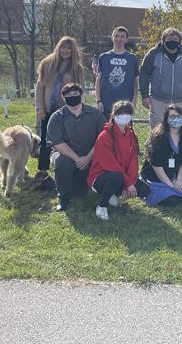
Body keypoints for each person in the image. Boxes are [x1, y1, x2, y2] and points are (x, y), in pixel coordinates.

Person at [45, 83, 105, 212]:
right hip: (66, 154)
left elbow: (103, 139)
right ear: (63, 98)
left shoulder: (95, 114)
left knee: (81, 191)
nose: (72, 97)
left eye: (75, 94)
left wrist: (88, 158)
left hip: (91, 153)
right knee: (62, 162)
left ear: (81, 95)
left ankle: (109, 192)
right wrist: (78, 159)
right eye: (69, 95)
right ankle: (63, 198)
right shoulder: (56, 117)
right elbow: (58, 143)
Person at [87, 100, 151, 221]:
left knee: (145, 190)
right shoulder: (104, 136)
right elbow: (111, 166)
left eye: (127, 113)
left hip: (122, 177)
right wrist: (128, 184)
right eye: (120, 113)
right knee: (117, 176)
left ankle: (113, 194)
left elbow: (133, 163)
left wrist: (129, 183)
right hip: (100, 178)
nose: (124, 116)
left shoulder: (132, 136)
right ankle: (101, 206)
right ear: (113, 115)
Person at [35, 36, 85, 184]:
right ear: (58, 48)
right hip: (48, 109)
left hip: (67, 110)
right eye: (63, 47)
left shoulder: (77, 68)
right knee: (46, 139)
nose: (66, 50)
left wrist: (78, 109)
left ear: (73, 50)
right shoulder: (47, 64)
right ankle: (42, 171)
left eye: (69, 48)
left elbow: (80, 90)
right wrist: (39, 106)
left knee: (67, 141)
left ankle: (68, 170)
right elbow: (40, 86)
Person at [139, 27, 182, 129]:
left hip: (180, 101)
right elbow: (144, 74)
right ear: (163, 40)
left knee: (181, 131)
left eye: (175, 39)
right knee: (158, 132)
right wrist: (144, 95)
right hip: (158, 100)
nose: (172, 41)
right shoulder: (153, 54)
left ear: (179, 41)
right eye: (169, 39)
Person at [140, 104, 182, 206]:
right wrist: (171, 185)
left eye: (179, 116)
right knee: (171, 200)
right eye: (172, 116)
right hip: (157, 177)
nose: (176, 119)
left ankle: (175, 188)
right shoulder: (158, 137)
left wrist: (179, 180)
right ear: (166, 119)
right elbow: (156, 166)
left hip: (174, 175)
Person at [94, 26, 139, 120]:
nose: (119, 39)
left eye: (122, 37)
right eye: (117, 36)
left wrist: (134, 102)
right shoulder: (104, 57)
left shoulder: (132, 58)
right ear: (112, 38)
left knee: (124, 129)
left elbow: (135, 82)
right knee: (106, 129)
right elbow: (98, 80)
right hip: (106, 105)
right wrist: (98, 100)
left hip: (125, 106)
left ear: (126, 40)